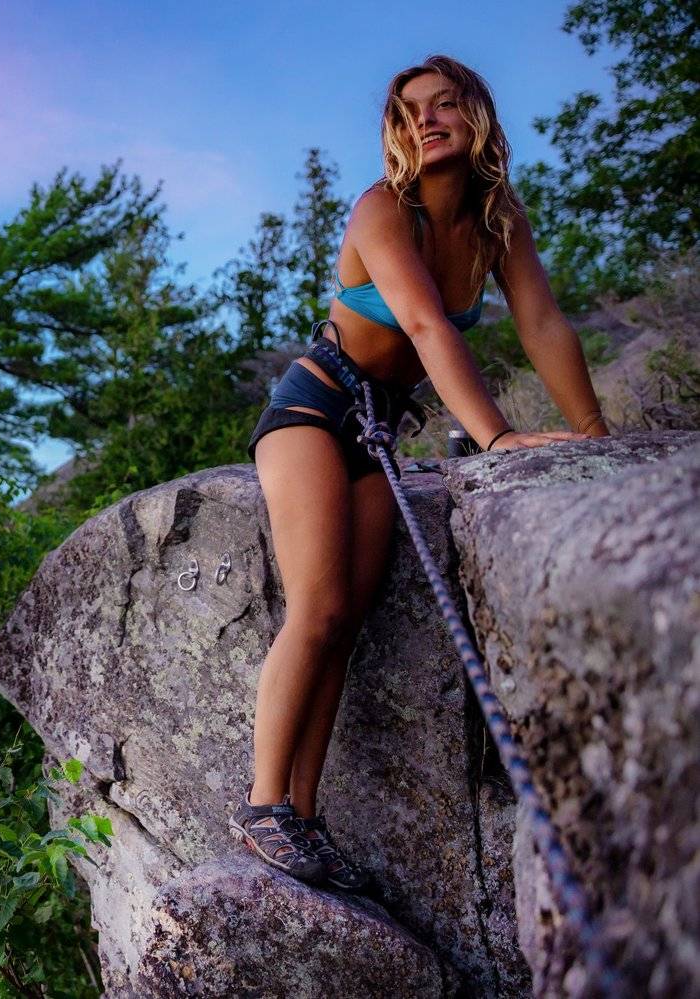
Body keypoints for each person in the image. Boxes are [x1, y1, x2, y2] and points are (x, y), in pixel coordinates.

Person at [228, 54, 611, 891]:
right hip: (313, 409)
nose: (425, 120)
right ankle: (261, 808)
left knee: (349, 622)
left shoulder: (498, 216)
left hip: (377, 430)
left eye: (444, 105)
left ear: (477, 114)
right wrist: (499, 436)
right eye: (408, 113)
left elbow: (542, 323)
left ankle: (302, 815)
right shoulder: (381, 208)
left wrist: (592, 434)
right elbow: (429, 328)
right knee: (318, 606)